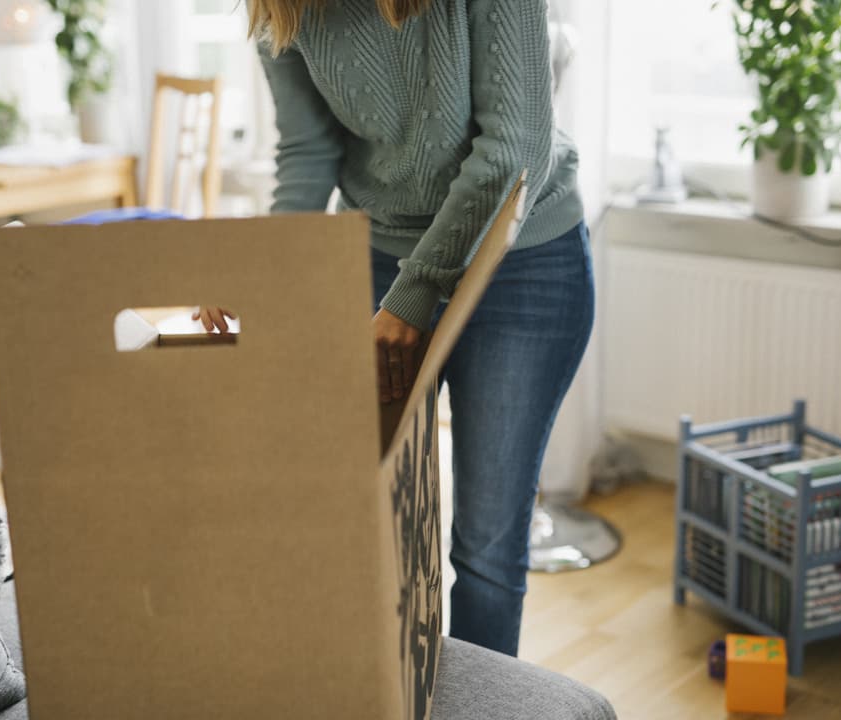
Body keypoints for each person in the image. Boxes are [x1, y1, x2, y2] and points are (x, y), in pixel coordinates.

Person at [198, 0, 594, 657]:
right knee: (364, 520)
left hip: (523, 262)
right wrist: (255, 275)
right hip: (384, 257)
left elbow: (515, 147)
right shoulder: (281, 7)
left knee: (488, 543)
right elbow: (306, 153)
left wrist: (411, 297)